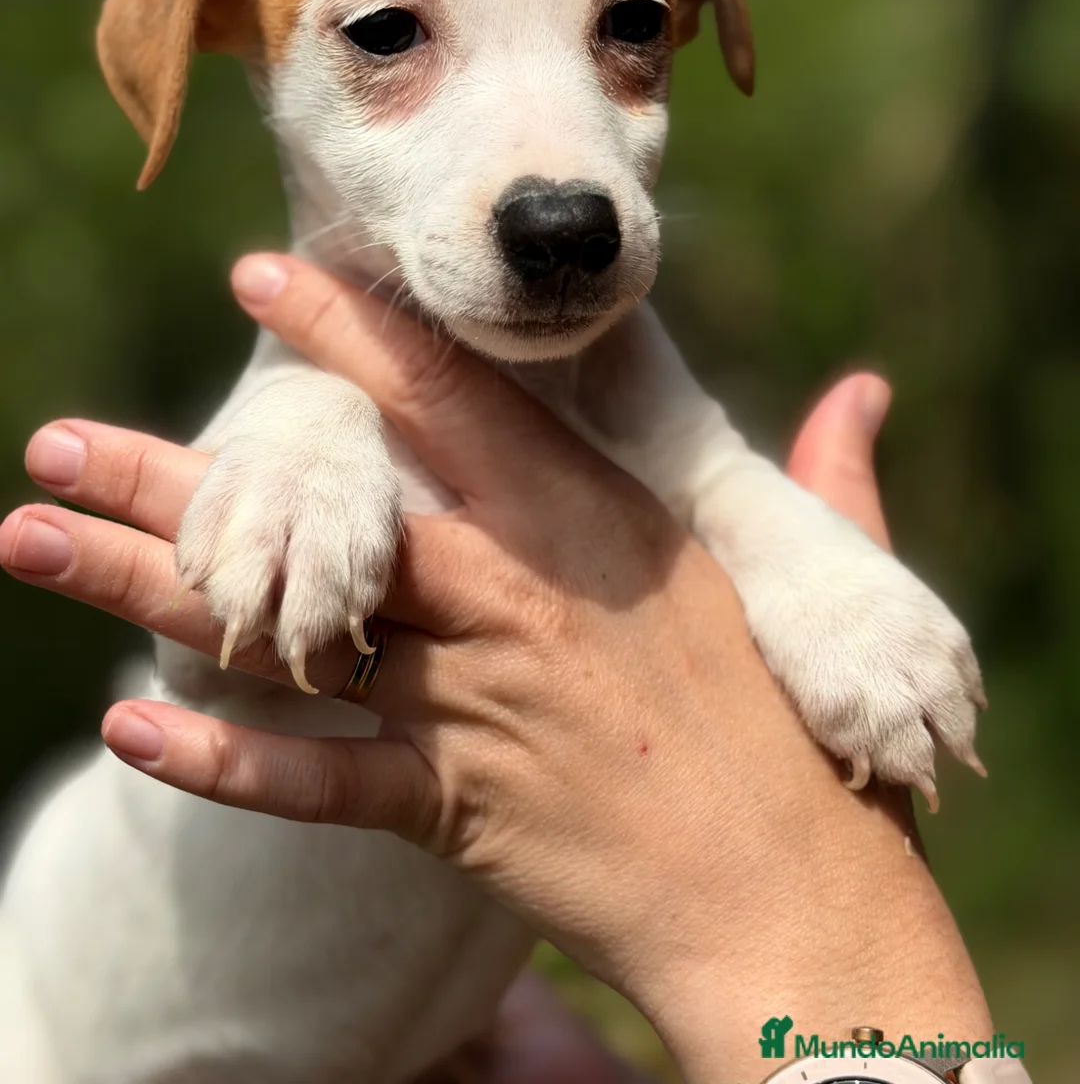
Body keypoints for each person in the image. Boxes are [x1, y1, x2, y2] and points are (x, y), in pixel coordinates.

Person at [0, 254, 996, 1083]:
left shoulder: (642, 394)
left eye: (632, 25)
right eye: (387, 33)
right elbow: (206, 652)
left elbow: (704, 472)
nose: (554, 179)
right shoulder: (299, 409)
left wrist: (790, 548)